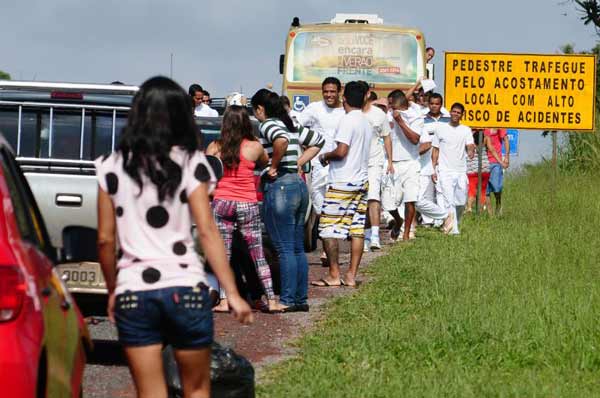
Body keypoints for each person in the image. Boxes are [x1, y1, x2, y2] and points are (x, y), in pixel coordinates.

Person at [96, 76, 252, 398]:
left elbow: (105, 241)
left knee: (150, 392)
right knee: (196, 389)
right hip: (186, 288)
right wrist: (232, 292)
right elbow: (208, 231)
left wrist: (113, 291)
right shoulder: (192, 163)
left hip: (134, 291)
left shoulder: (111, 167)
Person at [206, 106, 285, 313]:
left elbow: (205, 172)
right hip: (247, 203)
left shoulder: (215, 146)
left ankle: (224, 301)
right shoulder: (254, 146)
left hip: (222, 201)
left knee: (224, 256)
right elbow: (265, 162)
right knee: (258, 255)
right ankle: (272, 300)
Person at [251, 89, 324, 312]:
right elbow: (318, 141)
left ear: (260, 109)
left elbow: (280, 141)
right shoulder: (291, 126)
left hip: (280, 186)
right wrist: (299, 162)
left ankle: (288, 299)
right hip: (299, 186)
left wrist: (273, 166)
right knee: (297, 247)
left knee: (283, 248)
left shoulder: (268, 125)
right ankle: (300, 299)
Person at [312, 81, 370, 288]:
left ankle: (334, 274)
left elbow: (342, 151)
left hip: (342, 181)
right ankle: (351, 275)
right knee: (356, 230)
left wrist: (325, 156)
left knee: (327, 229)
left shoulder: (347, 121)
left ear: (344, 98)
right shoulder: (365, 121)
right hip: (361, 180)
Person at [295, 77, 345, 264]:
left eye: (332, 91)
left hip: (339, 166)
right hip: (317, 165)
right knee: (320, 208)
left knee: (335, 209)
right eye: (326, 91)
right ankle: (327, 247)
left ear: (339, 91)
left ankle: (329, 252)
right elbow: (297, 126)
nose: (329, 95)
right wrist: (306, 146)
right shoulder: (314, 109)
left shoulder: (345, 111)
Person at [358, 82, 393, 252]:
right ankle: (363, 235)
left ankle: (374, 235)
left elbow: (387, 137)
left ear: (367, 94)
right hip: (356, 163)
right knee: (360, 199)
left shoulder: (379, 114)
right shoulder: (352, 113)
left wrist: (390, 162)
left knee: (373, 197)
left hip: (375, 162)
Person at [431, 102, 476, 234]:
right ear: (450, 112)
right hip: (445, 170)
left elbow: (470, 146)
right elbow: (435, 150)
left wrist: (471, 151)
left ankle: (455, 221)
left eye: (458, 112)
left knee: (461, 202)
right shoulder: (441, 129)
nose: (455, 114)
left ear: (462, 115)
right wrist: (433, 169)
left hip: (461, 170)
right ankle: (453, 230)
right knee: (448, 200)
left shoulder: (466, 130)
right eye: (454, 111)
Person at [420, 93, 450, 226]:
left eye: (437, 104)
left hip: (444, 157)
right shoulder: (422, 119)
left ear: (441, 105)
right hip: (426, 158)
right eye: (431, 103)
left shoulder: (448, 119)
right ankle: (428, 221)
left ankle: (442, 219)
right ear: (428, 104)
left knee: (441, 189)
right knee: (426, 189)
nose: (434, 106)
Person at [466, 130, 493, 213]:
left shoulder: (468, 142)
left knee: (471, 190)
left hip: (472, 170)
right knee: (482, 191)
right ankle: (480, 210)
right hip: (485, 169)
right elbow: (492, 149)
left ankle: (469, 207)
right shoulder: (485, 140)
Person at [484, 128, 510, 215]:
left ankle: (498, 204)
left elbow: (506, 140)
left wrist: (506, 157)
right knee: (485, 191)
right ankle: (490, 216)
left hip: (495, 162)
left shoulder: (499, 125)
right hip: (483, 162)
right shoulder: (482, 126)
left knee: (496, 188)